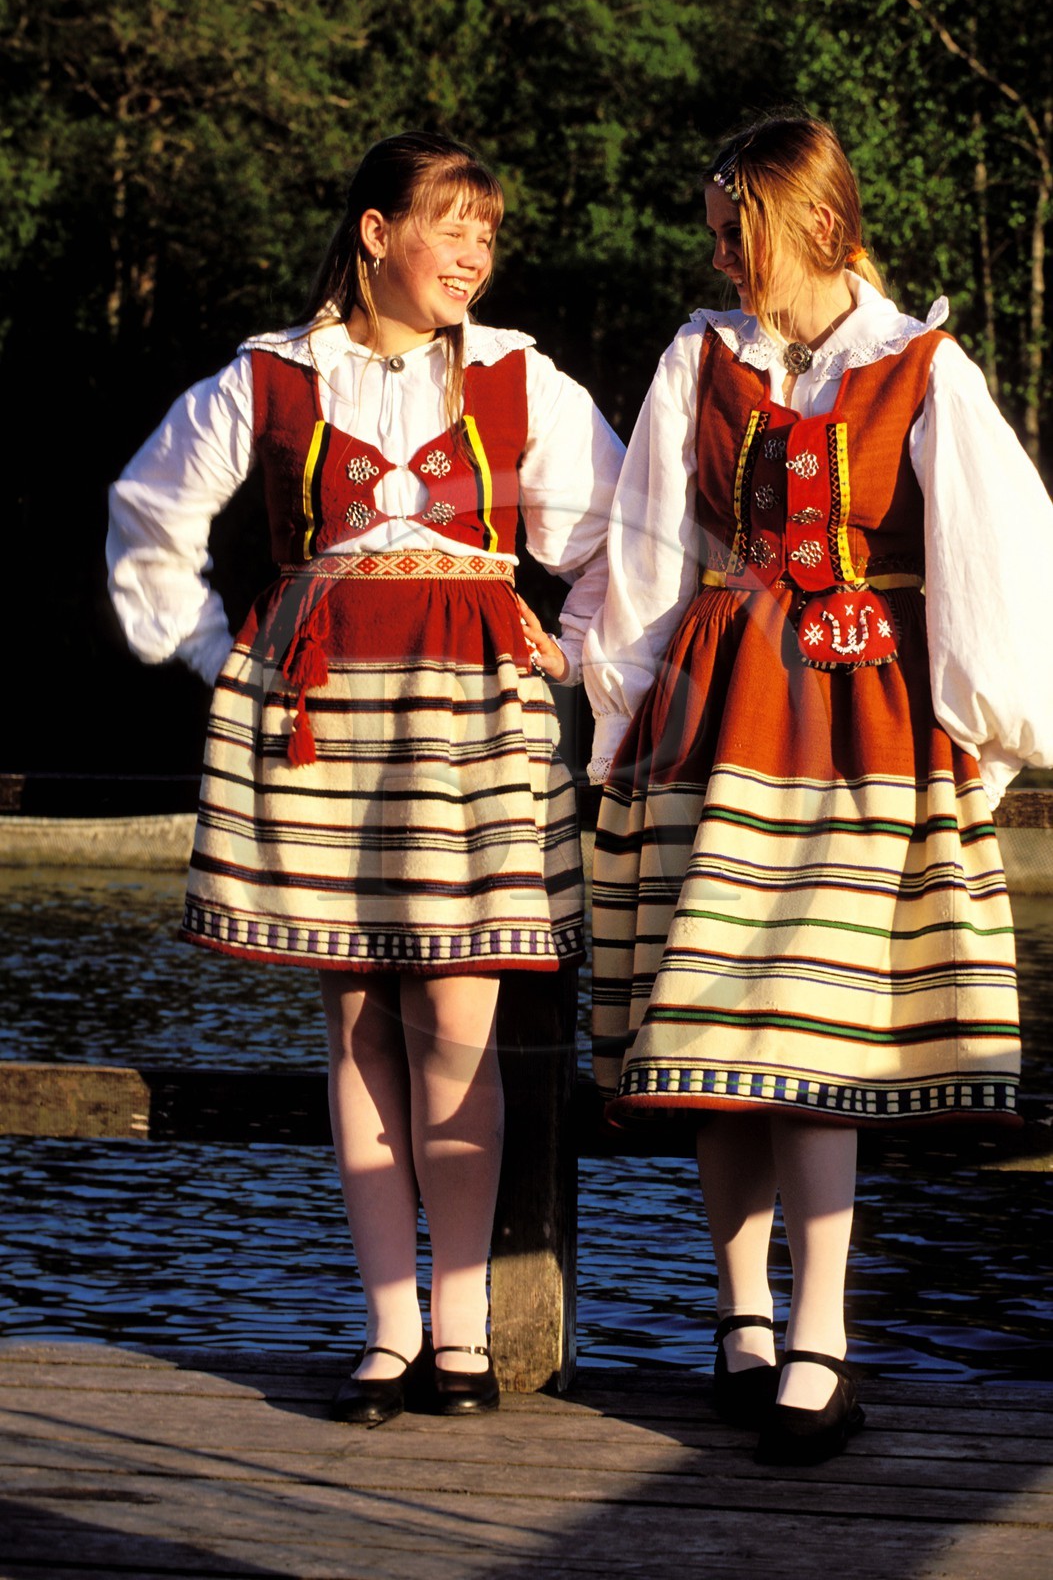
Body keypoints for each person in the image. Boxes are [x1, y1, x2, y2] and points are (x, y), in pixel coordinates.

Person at [108, 131, 623, 1424]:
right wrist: (221, 655)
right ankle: (388, 1332)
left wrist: (577, 659)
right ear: (376, 233)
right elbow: (150, 519)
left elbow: (623, 543)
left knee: (458, 1019)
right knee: (359, 1024)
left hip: (471, 720)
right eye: (450, 227)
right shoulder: (270, 378)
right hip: (322, 712)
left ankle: (461, 1331)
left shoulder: (517, 379)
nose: (473, 255)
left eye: (488, 235)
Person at [582, 111, 1053, 1465]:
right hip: (715, 713)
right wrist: (617, 716)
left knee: (812, 1049)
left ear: (801, 220)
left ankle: (823, 1334)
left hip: (858, 726)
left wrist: (982, 739)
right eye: (717, 229)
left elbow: (992, 556)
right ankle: (736, 1320)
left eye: (738, 228)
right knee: (717, 1039)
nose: (723, 254)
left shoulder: (919, 367)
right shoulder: (699, 357)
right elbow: (646, 550)